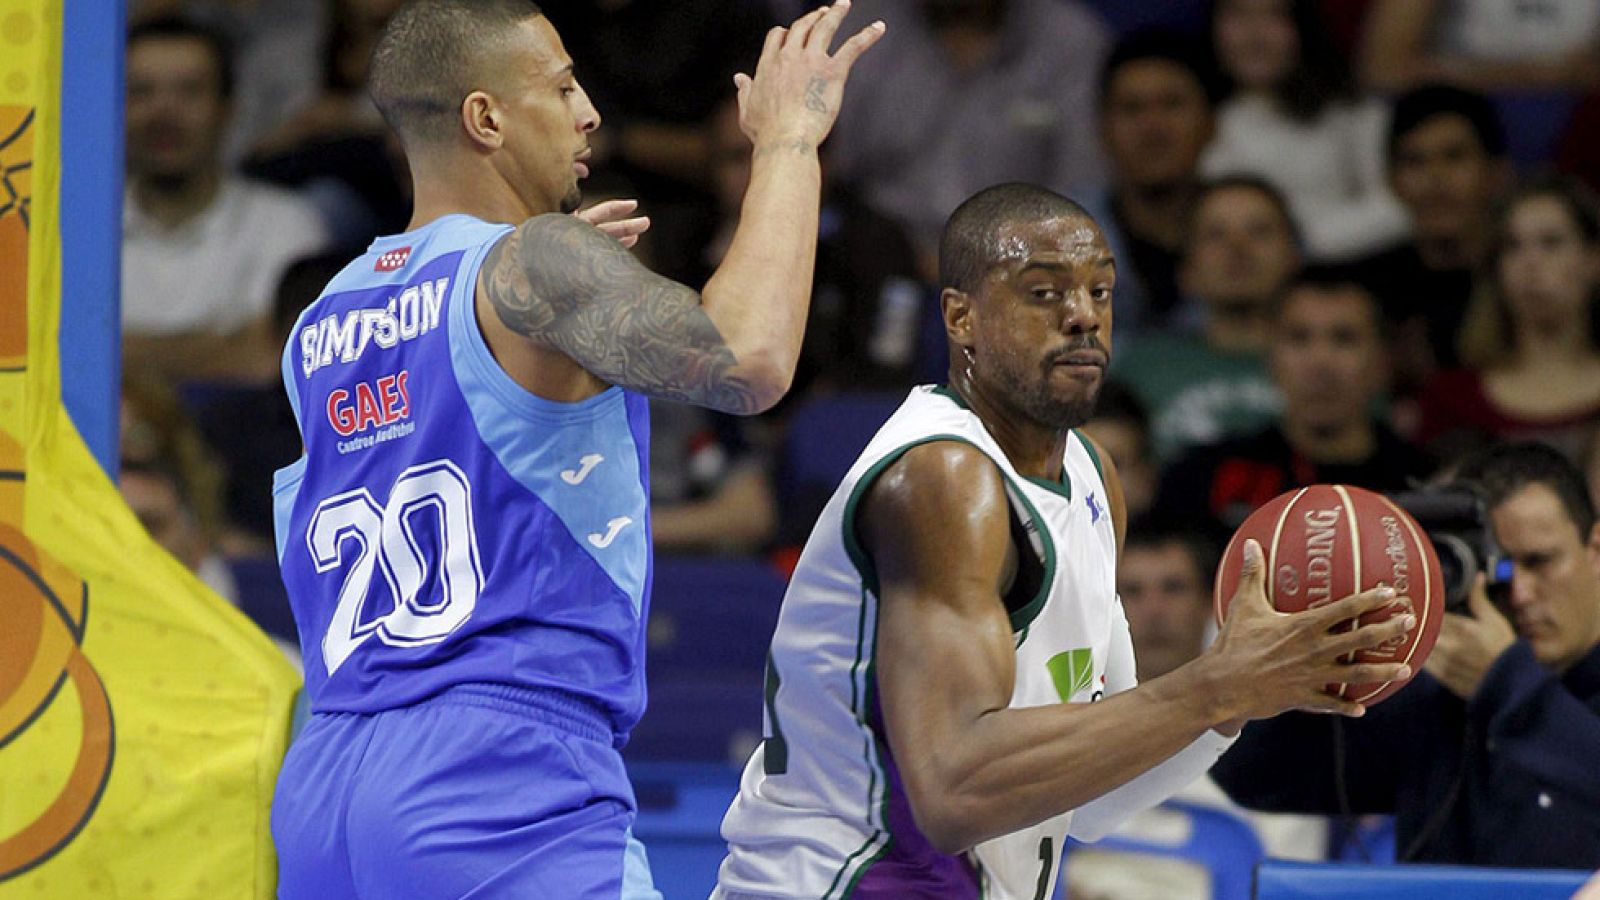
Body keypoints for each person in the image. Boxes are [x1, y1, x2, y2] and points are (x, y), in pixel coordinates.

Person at [267, 2, 886, 898]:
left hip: (330, 781)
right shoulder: (535, 265)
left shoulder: (324, 318)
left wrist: (564, 300)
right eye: (561, 86)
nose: (590, 111)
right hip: (497, 770)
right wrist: (789, 143)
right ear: (486, 118)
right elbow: (749, 358)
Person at [713, 183, 1414, 898]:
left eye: (1101, 291)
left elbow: (1097, 803)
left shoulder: (1091, 474)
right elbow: (954, 791)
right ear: (961, 317)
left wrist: (1241, 696)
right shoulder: (943, 478)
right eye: (1044, 292)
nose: (1083, 316)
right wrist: (1216, 683)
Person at [1214, 441, 1600, 868]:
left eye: (1540, 562)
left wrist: (1507, 685)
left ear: (1596, 549)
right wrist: (1312, 664)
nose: (1520, 593)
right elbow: (1249, 777)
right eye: (1498, 569)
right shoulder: (1439, 696)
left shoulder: (1497, 685)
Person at [1064, 521, 1329, 899]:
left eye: (1173, 588)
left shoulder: (1273, 748)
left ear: (1210, 602)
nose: (1153, 610)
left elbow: (1290, 885)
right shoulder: (1064, 720)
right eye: (1132, 592)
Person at [121, 15, 331, 385]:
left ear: (228, 108)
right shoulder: (70, 233)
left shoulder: (287, 222)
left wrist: (122, 351)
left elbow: (271, 358)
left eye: (189, 91)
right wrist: (222, 344)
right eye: (141, 92)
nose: (163, 112)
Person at [1155, 267, 1434, 543]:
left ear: (1382, 360)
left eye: (1344, 338)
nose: (1320, 361)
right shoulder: (1204, 477)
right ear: (1271, 358)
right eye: (1299, 338)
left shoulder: (1425, 486)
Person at [1199, 0, 1410, 261]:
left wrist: (1298, 245)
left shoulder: (1352, 112)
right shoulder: (1194, 117)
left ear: (1302, 26)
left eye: (1275, 15)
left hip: (1344, 275)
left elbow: (1398, 208)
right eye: (1238, 14)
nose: (1255, 35)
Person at [1416, 175, 1600, 466]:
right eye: (1512, 246)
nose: (1530, 263)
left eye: (1551, 243)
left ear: (1593, 259)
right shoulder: (1452, 399)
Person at [1112, 175, 1299, 462]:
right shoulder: (1138, 369)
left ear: (1294, 257)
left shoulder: (1345, 361)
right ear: (1185, 270)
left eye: (1259, 232)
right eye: (1215, 235)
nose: (1238, 248)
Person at [1351, 84, 1511, 404]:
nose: (1435, 178)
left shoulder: (1529, 281)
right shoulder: (1363, 292)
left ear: (1497, 173)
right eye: (1415, 161)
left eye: (1454, 157)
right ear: (1392, 182)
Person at [1080, 27, 1220, 338]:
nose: (1153, 128)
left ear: (1211, 123)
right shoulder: (1055, 237)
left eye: (1172, 105)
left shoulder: (1260, 229)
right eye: (1132, 109)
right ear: (1102, 130)